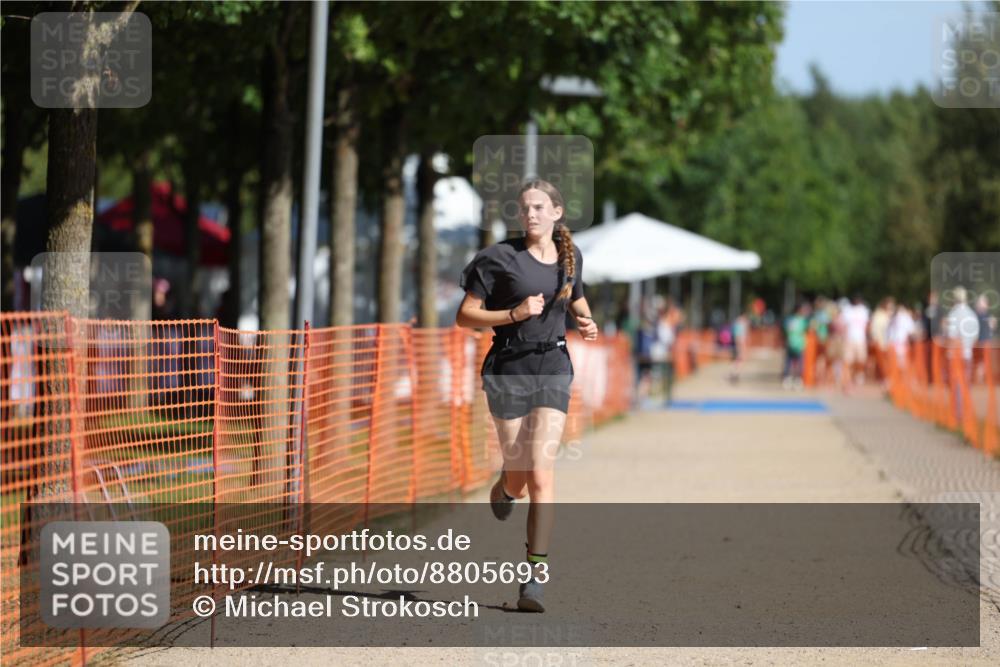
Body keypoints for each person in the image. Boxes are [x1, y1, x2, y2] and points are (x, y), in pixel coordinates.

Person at [456, 179, 598, 613]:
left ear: (557, 212)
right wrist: (513, 314)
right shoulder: (498, 257)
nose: (531, 214)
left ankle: (534, 578)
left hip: (552, 366)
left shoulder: (570, 260)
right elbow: (465, 316)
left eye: (539, 207)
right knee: (518, 468)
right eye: (524, 208)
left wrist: (587, 323)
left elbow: (575, 299)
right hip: (507, 369)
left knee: (541, 471)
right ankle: (504, 485)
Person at [839, 294, 870, 394]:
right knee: (847, 362)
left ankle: (857, 377)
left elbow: (866, 325)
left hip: (860, 340)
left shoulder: (864, 310)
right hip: (849, 340)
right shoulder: (847, 311)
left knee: (861, 361)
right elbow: (843, 325)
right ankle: (847, 383)